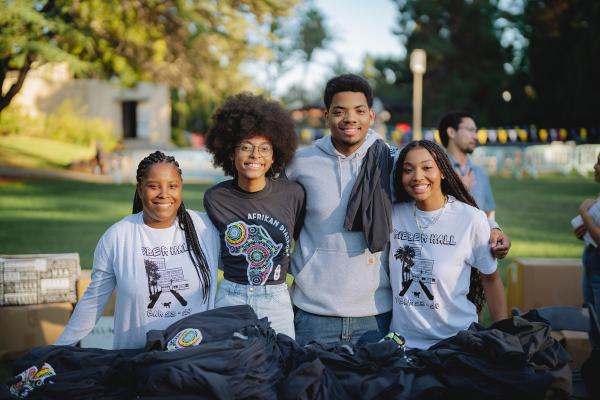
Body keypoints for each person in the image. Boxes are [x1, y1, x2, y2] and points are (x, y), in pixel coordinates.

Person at [283, 74, 511, 347]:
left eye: (359, 111)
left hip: (377, 315)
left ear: (371, 115)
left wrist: (493, 228)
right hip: (314, 313)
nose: (349, 119)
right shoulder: (299, 164)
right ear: (326, 116)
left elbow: (437, 203)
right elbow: (276, 212)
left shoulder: (392, 162)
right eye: (339, 111)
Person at [56, 151, 220, 349]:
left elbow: (239, 273)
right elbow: (94, 300)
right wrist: (56, 350)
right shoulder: (118, 236)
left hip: (194, 360)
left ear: (181, 188)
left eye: (172, 186)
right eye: (153, 186)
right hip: (137, 362)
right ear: (139, 189)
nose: (164, 194)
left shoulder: (205, 229)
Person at [203, 92, 305, 339]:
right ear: (230, 152)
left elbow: (302, 239)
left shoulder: (293, 194)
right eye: (245, 147)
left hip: (276, 298)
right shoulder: (215, 198)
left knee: (281, 367)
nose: (255, 155)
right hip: (231, 296)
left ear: (274, 155)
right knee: (230, 370)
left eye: (264, 148)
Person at [390, 140, 507, 350]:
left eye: (427, 167)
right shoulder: (393, 213)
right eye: (408, 170)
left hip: (456, 345)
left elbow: (491, 281)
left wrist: (503, 337)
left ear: (443, 172)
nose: (418, 176)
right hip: (402, 346)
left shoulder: (471, 219)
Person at [438, 111, 498, 220]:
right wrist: (460, 190)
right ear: (451, 132)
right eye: (470, 129)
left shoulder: (480, 173)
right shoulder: (435, 170)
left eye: (475, 131)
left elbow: (486, 213)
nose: (475, 136)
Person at [575, 151, 600, 345]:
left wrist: (584, 211)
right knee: (591, 323)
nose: (594, 166)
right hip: (591, 260)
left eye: (599, 162)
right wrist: (585, 231)